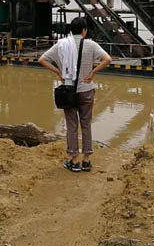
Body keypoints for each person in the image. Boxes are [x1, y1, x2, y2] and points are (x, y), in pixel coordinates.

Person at [38, 16, 112, 172]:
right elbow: (107, 59)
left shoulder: (62, 45)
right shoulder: (91, 45)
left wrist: (58, 71)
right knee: (86, 124)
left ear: (71, 30)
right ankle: (86, 160)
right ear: (84, 31)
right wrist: (93, 72)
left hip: (68, 90)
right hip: (86, 90)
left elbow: (42, 59)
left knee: (71, 126)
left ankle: (74, 161)